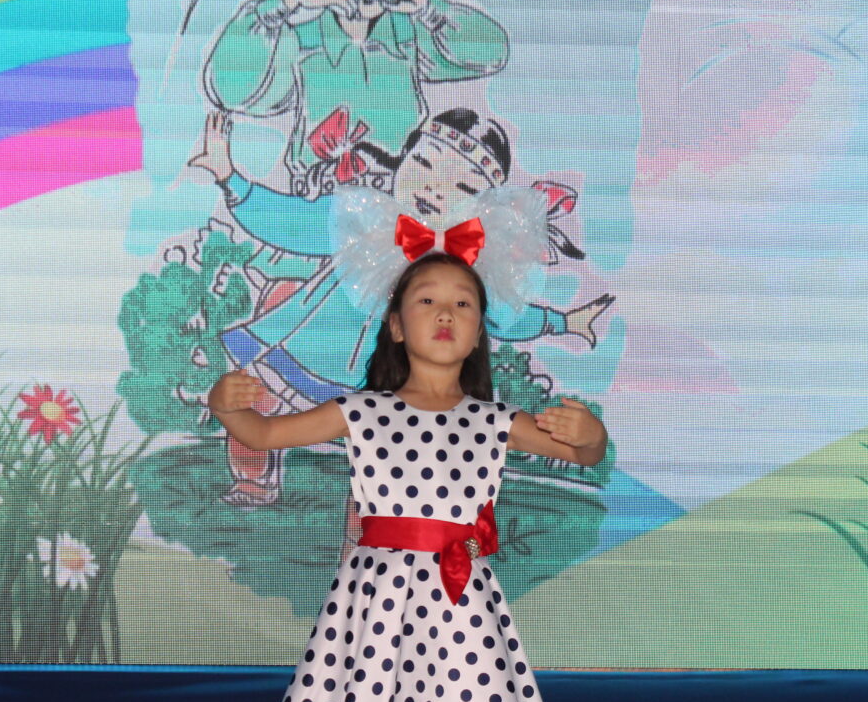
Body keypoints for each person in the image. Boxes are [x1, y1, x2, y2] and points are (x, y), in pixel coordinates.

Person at [207, 251, 607, 702]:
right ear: (395, 326)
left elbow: (583, 455)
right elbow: (263, 434)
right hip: (378, 610)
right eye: (427, 300)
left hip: (461, 613)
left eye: (464, 303)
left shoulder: (496, 421)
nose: (446, 313)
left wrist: (590, 434)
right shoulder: (360, 411)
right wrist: (224, 404)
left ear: (480, 332)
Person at [190, 106, 612, 505]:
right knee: (264, 397)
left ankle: (354, 537)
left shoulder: (488, 418)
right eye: (424, 164)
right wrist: (230, 178)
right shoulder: (364, 220)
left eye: (464, 187)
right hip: (306, 347)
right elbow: (289, 222)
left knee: (373, 482)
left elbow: (509, 316)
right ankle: (253, 483)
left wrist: (565, 332)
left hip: (453, 544)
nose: (434, 189)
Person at [200, 0, 509, 197]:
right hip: (324, 196)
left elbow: (493, 55)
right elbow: (229, 91)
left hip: (405, 195)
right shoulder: (301, 42)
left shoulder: (407, 34)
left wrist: (428, 8)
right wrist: (287, 2)